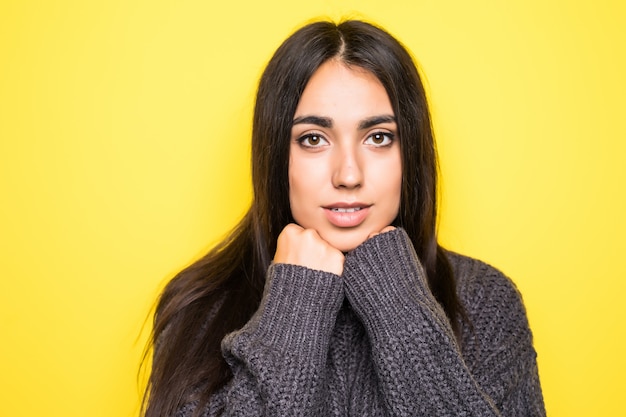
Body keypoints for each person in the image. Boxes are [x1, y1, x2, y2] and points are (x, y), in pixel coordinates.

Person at [142, 19, 546, 417]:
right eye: (313, 139)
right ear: (275, 156)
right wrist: (296, 303)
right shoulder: (199, 305)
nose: (348, 175)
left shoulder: (484, 303)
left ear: (411, 155)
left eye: (378, 137)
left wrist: (399, 303)